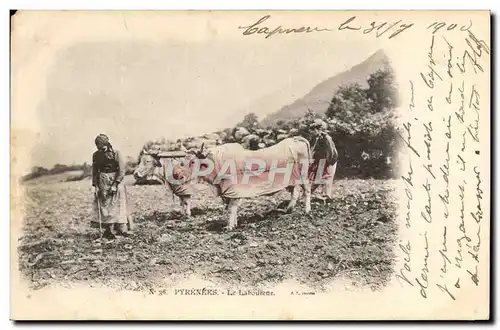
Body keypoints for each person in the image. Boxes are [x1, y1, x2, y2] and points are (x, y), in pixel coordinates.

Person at [92, 134, 133, 239]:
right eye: (97, 146)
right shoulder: (95, 155)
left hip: (115, 179)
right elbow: (95, 171)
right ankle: (108, 230)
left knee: (118, 203)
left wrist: (116, 183)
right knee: (105, 205)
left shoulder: (116, 153)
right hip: (102, 181)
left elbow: (122, 169)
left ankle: (121, 228)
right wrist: (96, 185)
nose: (99, 148)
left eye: (100, 145)